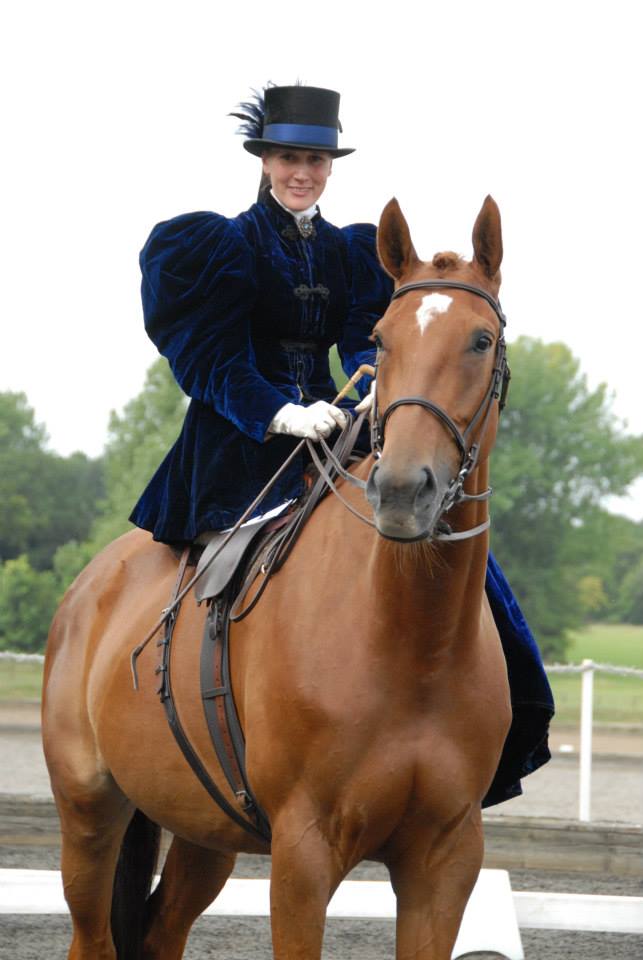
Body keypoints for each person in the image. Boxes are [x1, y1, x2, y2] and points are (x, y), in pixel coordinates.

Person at [130, 83, 553, 806]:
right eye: (290, 158)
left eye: (317, 161)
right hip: (240, 446)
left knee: (459, 552)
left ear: (329, 169)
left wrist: (363, 398)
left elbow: (370, 342)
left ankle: (503, 717)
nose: (304, 173)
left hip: (338, 431)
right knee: (234, 570)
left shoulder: (351, 250)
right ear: (265, 161)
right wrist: (279, 413)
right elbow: (207, 358)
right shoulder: (215, 245)